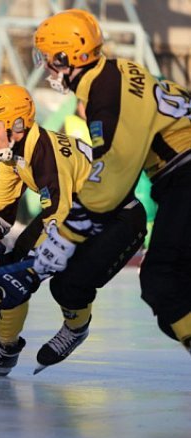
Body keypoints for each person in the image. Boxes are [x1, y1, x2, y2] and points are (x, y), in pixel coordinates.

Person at [0, 84, 146, 376]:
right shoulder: (12, 151)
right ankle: (5, 350)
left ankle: (76, 328)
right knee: (9, 270)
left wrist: (32, 272)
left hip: (118, 220)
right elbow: (1, 197)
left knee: (67, 283)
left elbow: (61, 219)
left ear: (16, 125)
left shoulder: (49, 156)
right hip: (74, 215)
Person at [34, 9, 191, 356]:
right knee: (175, 302)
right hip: (180, 179)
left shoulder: (109, 95)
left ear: (65, 58)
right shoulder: (114, 75)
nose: (45, 66)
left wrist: (65, 236)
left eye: (47, 58)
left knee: (162, 282)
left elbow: (113, 177)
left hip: (186, 177)